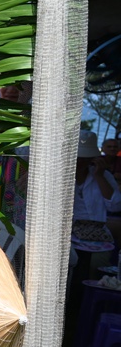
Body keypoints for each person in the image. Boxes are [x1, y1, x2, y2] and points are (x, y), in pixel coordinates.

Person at [66, 129, 121, 318]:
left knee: (96, 270)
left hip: (97, 234)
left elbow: (115, 203)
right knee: (69, 269)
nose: (81, 161)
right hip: (69, 232)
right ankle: (67, 310)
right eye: (78, 157)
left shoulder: (102, 176)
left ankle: (87, 313)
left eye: (85, 157)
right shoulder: (62, 176)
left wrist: (99, 175)